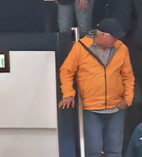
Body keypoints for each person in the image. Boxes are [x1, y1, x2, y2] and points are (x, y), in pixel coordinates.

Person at [58, 19, 135, 157]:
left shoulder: (121, 48)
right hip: (91, 109)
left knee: (115, 151)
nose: (117, 39)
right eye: (114, 36)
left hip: (116, 107)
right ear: (104, 35)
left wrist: (128, 99)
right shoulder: (80, 47)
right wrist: (68, 93)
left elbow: (128, 76)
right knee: (93, 151)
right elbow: (66, 71)